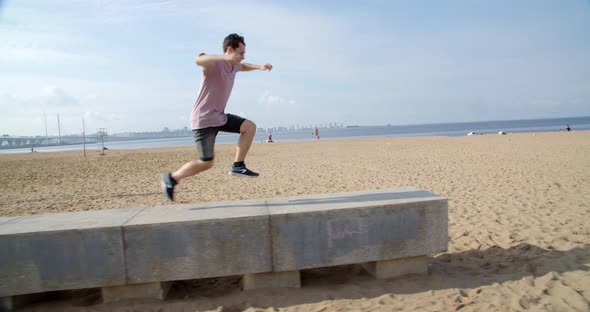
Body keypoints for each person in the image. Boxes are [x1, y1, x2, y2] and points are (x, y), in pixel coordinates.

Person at [161, 34, 273, 201]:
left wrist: (259, 66)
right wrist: (224, 57)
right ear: (230, 49)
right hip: (203, 119)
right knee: (206, 162)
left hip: (219, 117)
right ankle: (172, 178)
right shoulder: (213, 65)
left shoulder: (234, 66)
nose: (243, 56)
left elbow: (244, 66)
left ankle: (238, 166)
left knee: (249, 127)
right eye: (241, 52)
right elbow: (199, 60)